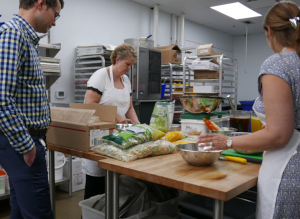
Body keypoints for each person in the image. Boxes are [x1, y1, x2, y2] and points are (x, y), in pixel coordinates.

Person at [197, 1, 300, 218]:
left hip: (288, 171)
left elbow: (279, 135)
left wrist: (227, 141)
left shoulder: (278, 64)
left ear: (269, 31)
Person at [0, 0, 64, 218]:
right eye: (55, 14)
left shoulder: (25, 37)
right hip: (20, 142)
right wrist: (27, 147)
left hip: (22, 141)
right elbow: (1, 98)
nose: (55, 23)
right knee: (39, 212)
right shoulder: (13, 35)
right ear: (40, 3)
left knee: (20, 208)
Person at [83, 43, 140, 199]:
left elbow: (130, 108)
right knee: (96, 185)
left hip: (118, 139)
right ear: (117, 59)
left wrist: (139, 127)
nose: (129, 68)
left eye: (131, 65)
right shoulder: (101, 76)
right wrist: (117, 117)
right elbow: (90, 103)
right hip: (98, 137)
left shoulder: (125, 80)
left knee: (113, 185)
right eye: (127, 64)